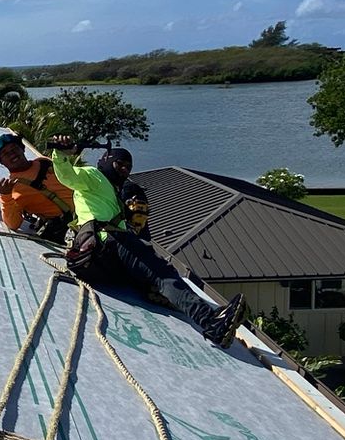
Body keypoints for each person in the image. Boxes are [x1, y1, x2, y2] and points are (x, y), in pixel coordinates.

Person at [48, 135, 244, 348]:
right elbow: (67, 176)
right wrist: (61, 152)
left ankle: (164, 295)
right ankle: (212, 323)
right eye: (119, 164)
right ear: (105, 162)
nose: (124, 170)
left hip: (94, 263)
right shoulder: (94, 176)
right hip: (109, 244)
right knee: (162, 273)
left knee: (150, 277)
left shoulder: (112, 192)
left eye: (128, 167)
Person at [0, 132, 76, 242]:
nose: (12, 154)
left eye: (14, 149)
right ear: (1, 161)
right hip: (73, 224)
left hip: (90, 205)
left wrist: (65, 152)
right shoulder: (15, 189)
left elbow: (70, 175)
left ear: (22, 149)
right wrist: (5, 196)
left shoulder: (44, 162)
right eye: (6, 153)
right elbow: (13, 224)